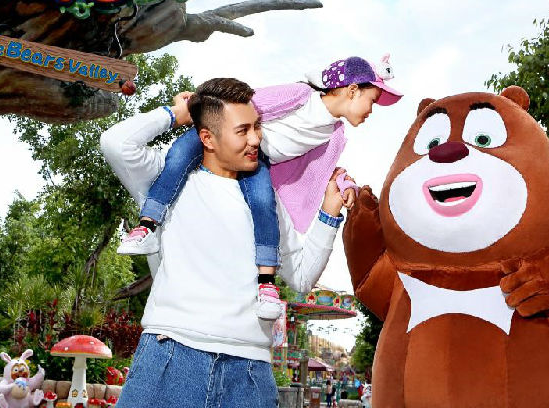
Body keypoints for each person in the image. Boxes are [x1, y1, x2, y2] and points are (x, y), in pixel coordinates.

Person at [101, 78, 353, 408]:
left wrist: (329, 213)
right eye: (242, 130)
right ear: (207, 138)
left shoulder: (268, 204)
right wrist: (178, 113)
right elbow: (116, 143)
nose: (256, 139)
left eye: (257, 126)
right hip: (170, 354)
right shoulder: (165, 180)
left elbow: (302, 277)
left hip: (248, 374)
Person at [117, 56, 402, 321]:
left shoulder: (335, 135)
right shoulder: (301, 95)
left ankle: (266, 283)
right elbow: (244, 104)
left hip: (257, 163)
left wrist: (345, 185)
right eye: (372, 100)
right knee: (177, 160)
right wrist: (194, 109)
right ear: (352, 90)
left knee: (264, 204)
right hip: (222, 135)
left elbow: (326, 171)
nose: (371, 110)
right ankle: (147, 226)